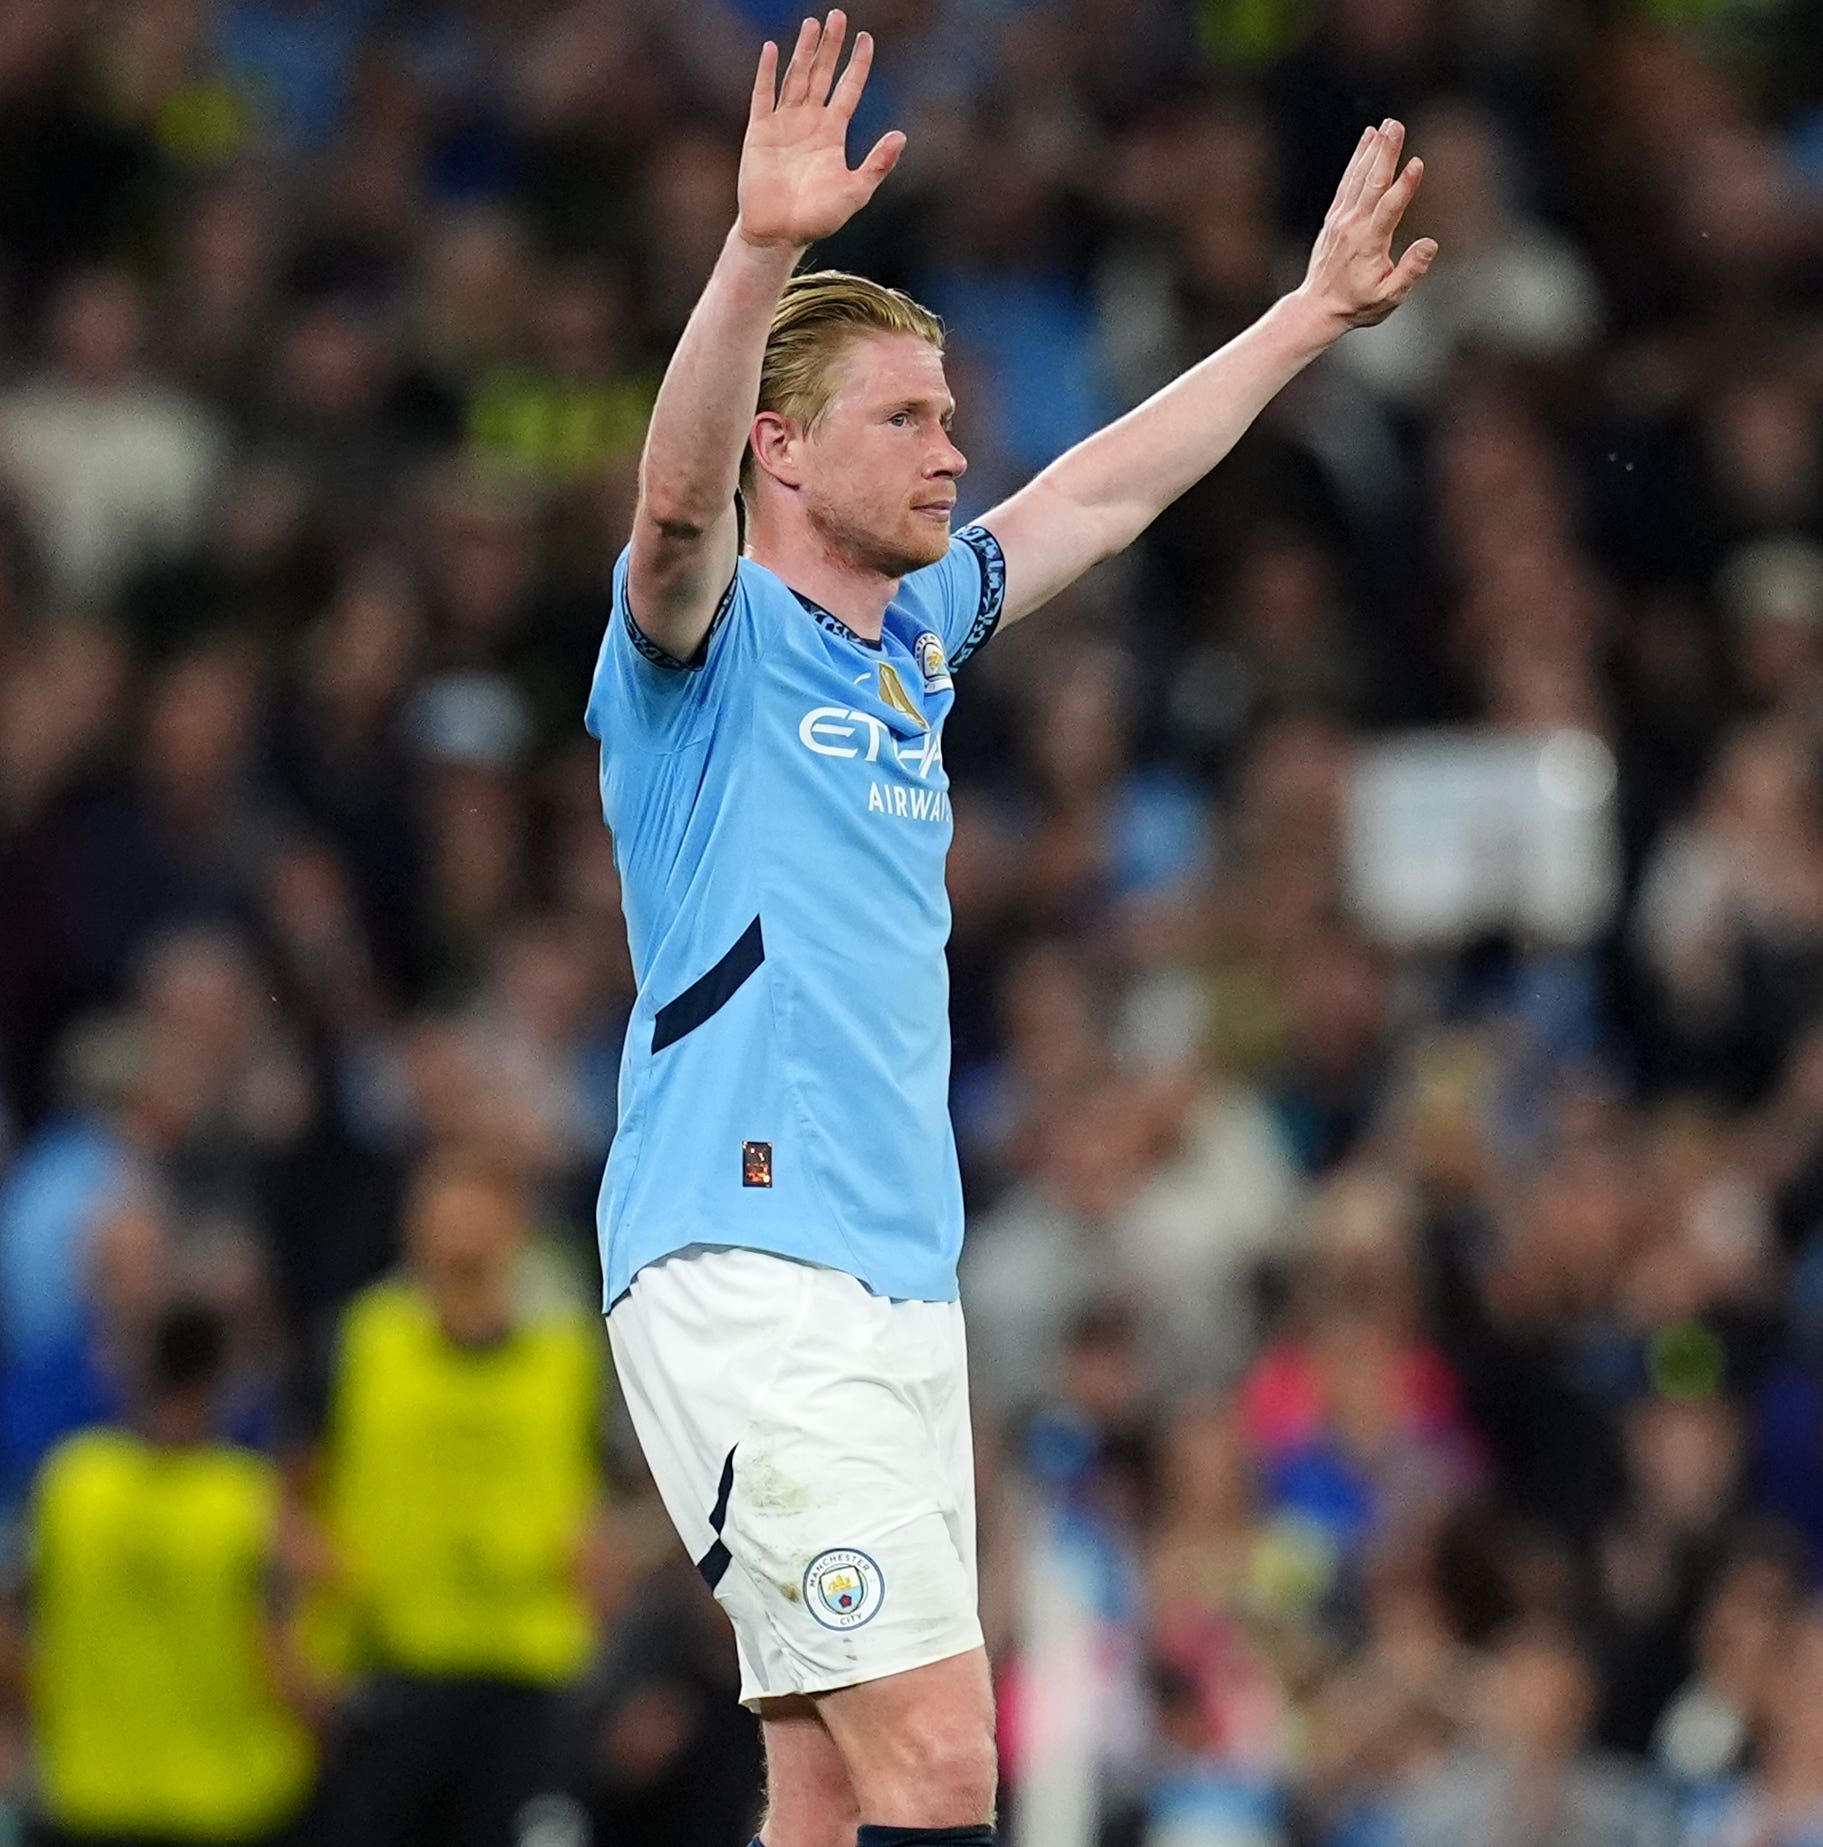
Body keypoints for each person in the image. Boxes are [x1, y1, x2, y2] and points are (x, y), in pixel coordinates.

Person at [585, 13, 1434, 1847]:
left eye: (954, 418)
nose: (953, 454)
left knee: (820, 1782)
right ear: (786, 454)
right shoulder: (702, 653)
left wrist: (1303, 316)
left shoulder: (914, 645)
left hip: (896, 1280)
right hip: (748, 1256)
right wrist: (756, 251)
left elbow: (1105, 494)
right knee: (951, 1770)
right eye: (909, 419)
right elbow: (670, 504)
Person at [309, 1153, 605, 1847]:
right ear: (414, 1236)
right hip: (392, 1661)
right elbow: (307, 1471)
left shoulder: (567, 1352)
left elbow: (613, 1484)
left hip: (526, 1662)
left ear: (515, 1234)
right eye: (445, 1226)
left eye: (480, 1224)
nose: (462, 1246)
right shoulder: (367, 1338)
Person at [14, 1298, 317, 1847]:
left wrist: (45, 1708)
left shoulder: (71, 1482)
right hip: (225, 1800)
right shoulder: (249, 1501)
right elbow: (283, 1660)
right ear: (221, 1380)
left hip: (87, 1795)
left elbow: (12, 1627)